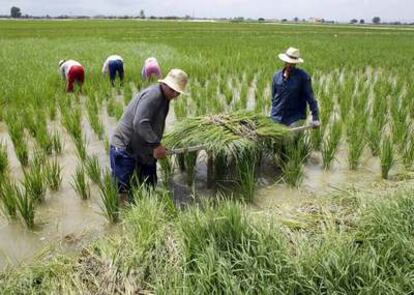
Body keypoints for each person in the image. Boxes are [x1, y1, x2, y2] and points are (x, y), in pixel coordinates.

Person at [110, 69, 188, 202]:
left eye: (177, 92)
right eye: (172, 90)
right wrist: (157, 145)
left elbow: (154, 124)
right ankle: (123, 216)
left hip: (143, 147)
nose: (175, 94)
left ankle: (146, 208)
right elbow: (140, 123)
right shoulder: (154, 95)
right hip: (125, 146)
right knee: (122, 187)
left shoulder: (165, 98)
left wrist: (159, 145)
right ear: (165, 84)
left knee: (149, 183)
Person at [271, 47, 320, 128]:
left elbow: (311, 98)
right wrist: (274, 112)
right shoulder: (277, 76)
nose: (290, 65)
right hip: (276, 116)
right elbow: (273, 97)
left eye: (292, 63)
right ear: (285, 61)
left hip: (294, 118)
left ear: (296, 63)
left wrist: (315, 118)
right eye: (288, 62)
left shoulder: (303, 77)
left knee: (289, 139)